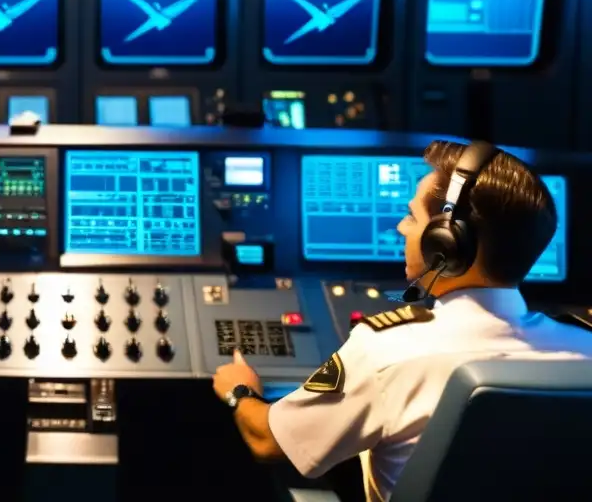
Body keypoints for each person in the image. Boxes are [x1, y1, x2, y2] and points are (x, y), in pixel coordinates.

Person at [211, 139, 592, 502]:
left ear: (446, 242)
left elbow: (267, 440)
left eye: (412, 216)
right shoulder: (584, 349)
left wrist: (239, 391)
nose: (401, 228)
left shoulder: (388, 352)